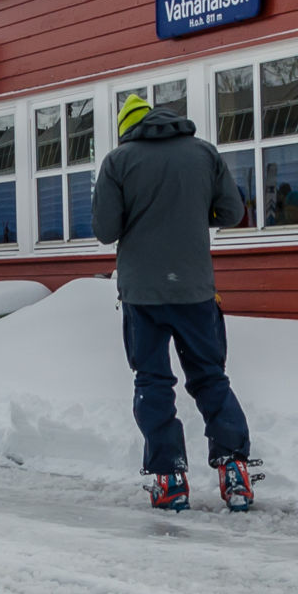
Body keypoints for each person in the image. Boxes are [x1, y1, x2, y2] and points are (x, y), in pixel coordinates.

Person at [93, 93, 257, 512]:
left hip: (142, 295)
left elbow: (105, 230)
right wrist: (192, 214)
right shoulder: (204, 153)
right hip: (195, 291)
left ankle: (170, 479)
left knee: (152, 382)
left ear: (127, 129)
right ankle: (234, 469)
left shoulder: (117, 162)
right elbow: (233, 212)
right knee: (210, 377)